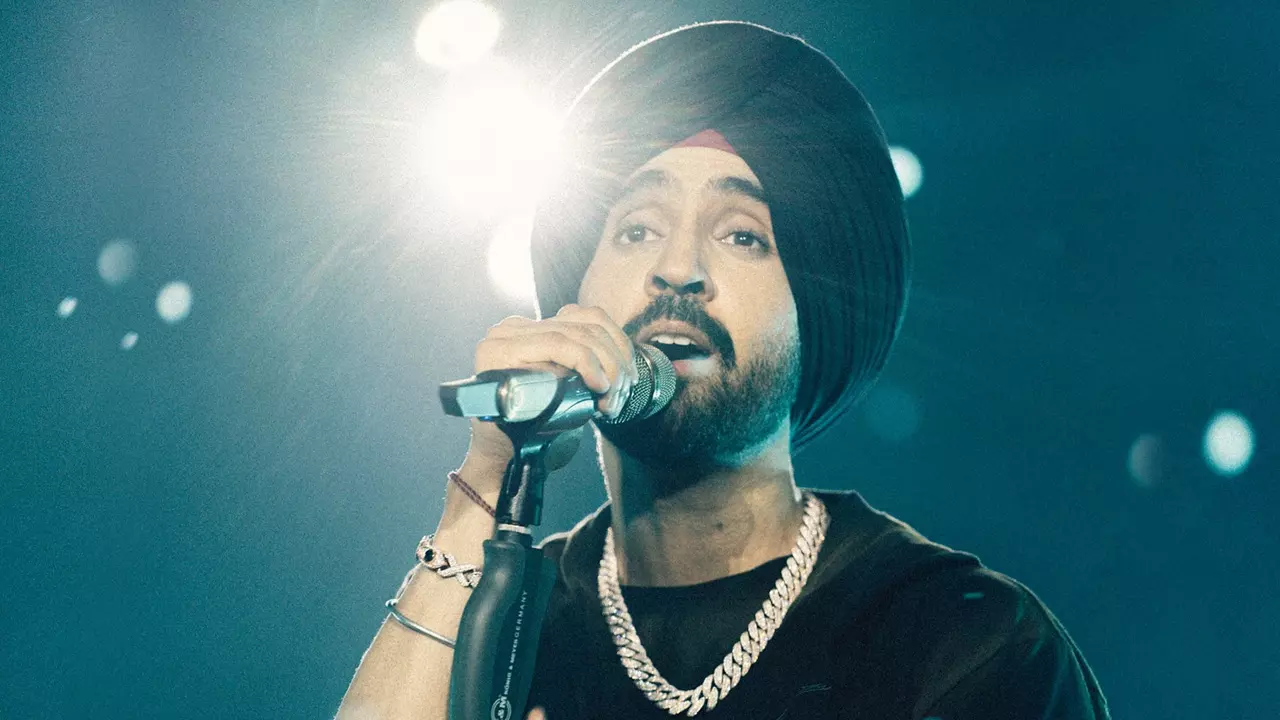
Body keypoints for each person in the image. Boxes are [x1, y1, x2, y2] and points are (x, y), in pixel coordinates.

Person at [338, 21, 1110, 719]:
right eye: (636, 229)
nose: (677, 268)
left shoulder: (959, 642)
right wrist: (483, 486)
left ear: (818, 305)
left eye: (743, 236)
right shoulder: (503, 622)